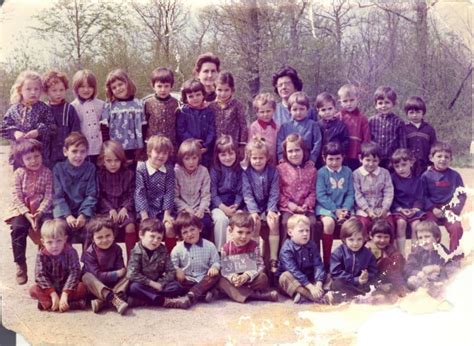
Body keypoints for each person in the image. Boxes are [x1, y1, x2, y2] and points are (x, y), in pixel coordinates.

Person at [5, 139, 53, 285]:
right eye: (28, 158)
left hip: (41, 209)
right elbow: (16, 196)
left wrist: (39, 212)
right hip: (22, 209)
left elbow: (49, 196)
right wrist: (27, 214)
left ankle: (46, 266)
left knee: (48, 229)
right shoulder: (19, 173)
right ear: (21, 160)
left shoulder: (47, 172)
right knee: (18, 228)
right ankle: (20, 264)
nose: (33, 161)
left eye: (36, 156)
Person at [127, 218, 189, 309]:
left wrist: (161, 283)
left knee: (176, 286)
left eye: (159, 238)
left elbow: (171, 271)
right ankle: (164, 301)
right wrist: (151, 283)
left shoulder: (162, 250)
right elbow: (131, 274)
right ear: (141, 235)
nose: (156, 241)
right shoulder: (136, 251)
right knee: (133, 287)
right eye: (152, 236)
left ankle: (144, 300)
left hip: (159, 285)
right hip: (143, 284)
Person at [218, 212, 278, 303]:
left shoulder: (254, 246)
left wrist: (247, 276)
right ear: (230, 231)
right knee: (221, 281)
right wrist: (232, 277)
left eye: (248, 232)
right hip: (234, 280)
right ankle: (257, 296)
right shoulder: (226, 248)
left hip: (249, 280)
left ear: (252, 232)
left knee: (263, 278)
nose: (244, 236)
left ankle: (233, 293)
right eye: (240, 232)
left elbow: (260, 265)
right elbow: (224, 269)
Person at [0, 70, 55, 168]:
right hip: (19, 156)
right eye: (28, 89)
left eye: (36, 89)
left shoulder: (44, 108)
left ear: (41, 90)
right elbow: (4, 127)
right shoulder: (14, 109)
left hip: (38, 156)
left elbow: (52, 127)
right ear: (20, 90)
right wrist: (15, 133)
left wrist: (38, 132)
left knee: (40, 179)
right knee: (21, 179)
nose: (33, 92)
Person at [29, 219, 87, 311]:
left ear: (65, 239)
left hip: (68, 287)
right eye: (50, 242)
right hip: (50, 288)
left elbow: (74, 272)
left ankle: (51, 305)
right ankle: (71, 304)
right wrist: (52, 293)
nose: (54, 246)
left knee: (82, 287)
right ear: (43, 242)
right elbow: (40, 275)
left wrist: (65, 293)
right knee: (33, 290)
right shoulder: (41, 254)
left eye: (59, 241)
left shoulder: (71, 252)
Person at [52, 132, 98, 245]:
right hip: (64, 213)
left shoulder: (91, 168)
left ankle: (88, 261)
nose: (78, 155)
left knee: (91, 228)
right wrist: (67, 215)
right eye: (74, 151)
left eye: (82, 152)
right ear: (65, 151)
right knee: (59, 228)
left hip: (84, 212)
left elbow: (92, 195)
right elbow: (57, 196)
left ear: (87, 152)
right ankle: (66, 261)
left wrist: (83, 215)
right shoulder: (58, 169)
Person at [242, 137, 280, 272]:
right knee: (255, 223)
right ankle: (255, 257)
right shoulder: (246, 173)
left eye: (261, 158)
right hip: (252, 207)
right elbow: (247, 194)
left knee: (273, 222)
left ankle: (273, 259)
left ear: (266, 158)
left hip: (268, 205)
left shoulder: (273, 171)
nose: (258, 161)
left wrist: (271, 209)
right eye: (254, 158)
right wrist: (254, 211)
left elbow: (274, 192)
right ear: (249, 158)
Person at [316, 141, 355, 268]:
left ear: (343, 157)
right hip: (326, 208)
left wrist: (345, 209)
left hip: (344, 208)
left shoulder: (348, 172)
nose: (334, 163)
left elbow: (350, 193)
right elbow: (321, 195)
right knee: (329, 223)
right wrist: (335, 210)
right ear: (324, 158)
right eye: (330, 159)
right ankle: (327, 261)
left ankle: (349, 261)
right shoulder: (321, 173)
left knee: (354, 224)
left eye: (337, 159)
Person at [422, 142, 466, 252]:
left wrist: (454, 210)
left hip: (449, 210)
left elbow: (462, 195)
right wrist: (432, 208)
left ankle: (454, 257)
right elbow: (422, 195)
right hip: (432, 209)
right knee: (429, 230)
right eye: (439, 156)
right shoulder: (426, 176)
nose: (443, 159)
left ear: (451, 159)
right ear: (431, 158)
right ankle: (431, 255)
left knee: (456, 228)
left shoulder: (455, 175)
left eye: (447, 157)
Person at [134, 135, 176, 252]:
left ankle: (170, 258)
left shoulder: (169, 169)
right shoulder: (141, 169)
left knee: (169, 228)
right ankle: (144, 258)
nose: (161, 156)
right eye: (158, 152)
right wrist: (144, 217)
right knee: (148, 231)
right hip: (147, 210)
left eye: (165, 153)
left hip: (163, 210)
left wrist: (167, 214)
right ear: (149, 152)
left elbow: (169, 191)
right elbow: (139, 193)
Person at [276, 215, 329, 304]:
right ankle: (314, 297)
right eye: (301, 231)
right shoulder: (286, 250)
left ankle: (313, 292)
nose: (305, 234)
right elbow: (294, 271)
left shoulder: (312, 245)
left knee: (328, 276)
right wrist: (311, 287)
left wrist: (319, 283)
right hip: (294, 280)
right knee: (285, 277)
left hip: (309, 278)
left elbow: (318, 264)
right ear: (290, 232)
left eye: (307, 230)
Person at [171, 211, 221, 307]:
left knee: (215, 276)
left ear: (200, 228)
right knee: (173, 285)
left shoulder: (210, 246)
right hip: (187, 280)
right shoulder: (177, 249)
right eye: (185, 232)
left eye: (192, 229)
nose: (189, 234)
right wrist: (177, 270)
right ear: (180, 235)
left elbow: (216, 261)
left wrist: (214, 267)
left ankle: (191, 295)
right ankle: (203, 294)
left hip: (204, 278)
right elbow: (173, 264)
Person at [97, 140, 137, 260]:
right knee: (106, 227)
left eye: (116, 160)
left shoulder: (128, 174)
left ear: (121, 160)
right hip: (106, 210)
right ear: (103, 161)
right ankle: (110, 261)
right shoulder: (100, 175)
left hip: (124, 209)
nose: (113, 164)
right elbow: (99, 196)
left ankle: (131, 260)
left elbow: (132, 193)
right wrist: (110, 209)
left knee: (130, 226)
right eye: (109, 161)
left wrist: (125, 208)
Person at [277, 134, 319, 247]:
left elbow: (313, 191)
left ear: (303, 151)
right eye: (290, 151)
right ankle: (285, 258)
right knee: (286, 223)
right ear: (285, 152)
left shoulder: (312, 170)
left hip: (306, 208)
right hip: (288, 208)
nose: (294, 154)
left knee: (312, 224)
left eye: (297, 150)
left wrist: (307, 204)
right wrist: (289, 204)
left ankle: (312, 257)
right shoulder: (281, 169)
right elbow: (277, 191)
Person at [81, 216, 129, 314]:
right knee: (86, 276)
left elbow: (121, 269)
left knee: (130, 273)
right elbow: (97, 275)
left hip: (113, 283)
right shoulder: (90, 252)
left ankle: (102, 302)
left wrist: (120, 273)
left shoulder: (117, 249)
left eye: (108, 235)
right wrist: (116, 274)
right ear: (93, 238)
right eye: (99, 237)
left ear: (113, 235)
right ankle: (114, 299)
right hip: (97, 286)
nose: (105, 240)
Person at [101, 69, 146, 166]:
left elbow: (143, 126)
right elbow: (104, 128)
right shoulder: (109, 106)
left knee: (132, 171)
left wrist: (142, 146)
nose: (118, 88)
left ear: (127, 83)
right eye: (114, 87)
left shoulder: (138, 104)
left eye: (120, 84)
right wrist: (107, 146)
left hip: (135, 147)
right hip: (116, 147)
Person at [405, 220, 459, 297]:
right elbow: (407, 268)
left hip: (438, 280)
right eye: (420, 238)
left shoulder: (443, 252)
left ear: (437, 238)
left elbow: (453, 268)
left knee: (451, 280)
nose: (424, 241)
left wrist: (437, 268)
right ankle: (427, 292)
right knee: (412, 280)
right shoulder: (417, 252)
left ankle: (435, 292)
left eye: (427, 236)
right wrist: (418, 273)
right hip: (423, 280)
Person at [329, 217, 377, 303]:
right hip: (346, 283)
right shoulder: (338, 253)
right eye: (351, 240)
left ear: (364, 239)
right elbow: (336, 272)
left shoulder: (368, 254)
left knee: (375, 285)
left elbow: (373, 270)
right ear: (344, 239)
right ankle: (356, 297)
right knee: (336, 284)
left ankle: (355, 297)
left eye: (359, 239)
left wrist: (366, 276)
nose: (355, 243)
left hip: (362, 284)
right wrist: (355, 279)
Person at [175, 139, 213, 240]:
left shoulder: (203, 171)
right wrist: (187, 209)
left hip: (198, 208)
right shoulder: (176, 171)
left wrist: (202, 209)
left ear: (199, 158)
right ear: (181, 159)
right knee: (183, 225)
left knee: (206, 223)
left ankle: (204, 250)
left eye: (194, 158)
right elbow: (175, 197)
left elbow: (206, 194)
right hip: (183, 210)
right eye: (187, 159)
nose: (191, 162)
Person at [210, 135, 243, 250]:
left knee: (240, 219)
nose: (227, 158)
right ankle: (221, 252)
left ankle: (239, 252)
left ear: (236, 153)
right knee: (221, 220)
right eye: (223, 155)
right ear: (217, 156)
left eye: (231, 154)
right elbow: (213, 194)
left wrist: (236, 205)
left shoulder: (239, 170)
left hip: (235, 204)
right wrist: (224, 209)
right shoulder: (215, 170)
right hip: (218, 205)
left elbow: (240, 192)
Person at [353, 141, 394, 233]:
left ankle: (388, 247)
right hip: (364, 211)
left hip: (381, 209)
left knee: (389, 226)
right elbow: (357, 194)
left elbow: (389, 192)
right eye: (368, 160)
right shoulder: (356, 174)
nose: (371, 164)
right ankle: (364, 247)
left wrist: (385, 208)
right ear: (360, 158)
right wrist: (368, 210)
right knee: (363, 226)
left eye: (375, 161)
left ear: (379, 160)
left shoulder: (385, 173)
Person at [42, 70, 80, 168]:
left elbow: (76, 132)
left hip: (66, 157)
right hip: (47, 157)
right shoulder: (43, 109)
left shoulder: (69, 109)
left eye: (61, 90)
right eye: (54, 90)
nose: (58, 93)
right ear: (47, 92)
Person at [390, 148, 425, 256]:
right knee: (401, 223)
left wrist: (415, 209)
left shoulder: (418, 180)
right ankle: (401, 254)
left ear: (411, 162)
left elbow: (420, 197)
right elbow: (391, 197)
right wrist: (400, 209)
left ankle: (414, 255)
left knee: (416, 225)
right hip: (399, 209)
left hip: (414, 210)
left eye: (404, 165)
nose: (401, 169)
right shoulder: (392, 178)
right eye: (397, 166)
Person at [176, 78, 216, 167]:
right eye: (191, 96)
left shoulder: (208, 111)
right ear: (185, 98)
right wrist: (193, 142)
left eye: (198, 95)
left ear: (203, 95)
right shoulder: (183, 112)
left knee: (205, 170)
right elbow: (181, 130)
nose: (195, 98)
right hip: (189, 149)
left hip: (205, 150)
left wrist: (206, 145)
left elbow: (212, 130)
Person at [209, 71, 248, 159]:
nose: (223, 94)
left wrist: (242, 144)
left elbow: (243, 125)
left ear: (232, 90)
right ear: (215, 89)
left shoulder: (237, 105)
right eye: (220, 90)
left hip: (233, 146)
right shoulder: (211, 106)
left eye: (226, 90)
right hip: (216, 147)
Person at [276, 91, 322, 166]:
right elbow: (280, 143)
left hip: (307, 162)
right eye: (295, 109)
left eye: (301, 109)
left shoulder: (313, 125)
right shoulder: (285, 126)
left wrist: (312, 159)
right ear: (289, 110)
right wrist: (281, 157)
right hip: (289, 162)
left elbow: (317, 143)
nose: (298, 112)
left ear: (307, 109)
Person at [366, 218, 407, 298]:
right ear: (371, 235)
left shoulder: (389, 248)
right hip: (373, 282)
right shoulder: (367, 250)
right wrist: (380, 285)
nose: (382, 240)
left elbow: (398, 266)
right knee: (386, 261)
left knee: (398, 257)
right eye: (379, 236)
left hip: (390, 279)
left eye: (386, 237)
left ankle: (400, 287)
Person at [71, 69, 105, 163]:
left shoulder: (101, 105)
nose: (86, 90)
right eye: (82, 86)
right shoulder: (73, 106)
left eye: (90, 86)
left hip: (100, 148)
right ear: (76, 88)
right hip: (82, 150)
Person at [368, 86, 406, 169]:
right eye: (380, 103)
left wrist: (400, 158)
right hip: (375, 159)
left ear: (394, 104)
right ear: (375, 105)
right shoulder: (371, 121)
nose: (383, 106)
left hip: (392, 160)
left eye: (387, 102)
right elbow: (368, 141)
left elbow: (402, 144)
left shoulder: (399, 122)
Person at [143, 67, 179, 150]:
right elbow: (144, 125)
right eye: (159, 86)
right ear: (153, 86)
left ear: (171, 86)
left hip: (171, 145)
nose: (163, 89)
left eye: (166, 86)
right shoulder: (148, 103)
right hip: (153, 146)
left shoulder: (176, 103)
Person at [336, 84, 370, 171]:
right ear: (340, 102)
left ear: (357, 99)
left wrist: (364, 153)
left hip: (356, 153)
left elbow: (366, 138)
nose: (349, 103)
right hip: (340, 153)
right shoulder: (338, 116)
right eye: (345, 101)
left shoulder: (362, 118)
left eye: (352, 100)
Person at [404, 96, 437, 177]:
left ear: (423, 113)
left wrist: (432, 163)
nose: (415, 115)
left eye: (418, 112)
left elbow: (434, 147)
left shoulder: (429, 129)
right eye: (411, 112)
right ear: (407, 113)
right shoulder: (404, 129)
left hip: (425, 164)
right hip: (409, 165)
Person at [315, 92, 349, 167]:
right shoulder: (317, 125)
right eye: (323, 110)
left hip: (336, 158)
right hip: (321, 160)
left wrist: (338, 150)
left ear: (335, 108)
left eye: (330, 109)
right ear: (318, 111)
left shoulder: (340, 125)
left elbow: (346, 141)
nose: (327, 112)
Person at [248, 93, 279, 165]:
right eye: (262, 112)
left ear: (274, 110)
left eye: (268, 111)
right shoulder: (254, 127)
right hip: (259, 162)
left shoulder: (277, 127)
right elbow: (250, 147)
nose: (265, 114)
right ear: (257, 113)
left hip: (274, 162)